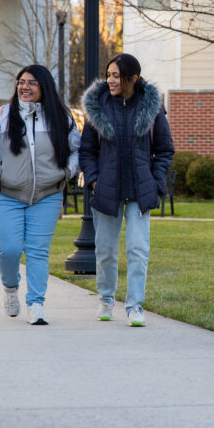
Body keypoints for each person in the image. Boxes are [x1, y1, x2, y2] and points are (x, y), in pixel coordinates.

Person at [0, 65, 80, 325]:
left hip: (48, 194)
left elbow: (78, 150)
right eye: (21, 82)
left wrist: (67, 171)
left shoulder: (61, 118)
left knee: (37, 252)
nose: (25, 87)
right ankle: (10, 289)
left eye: (32, 83)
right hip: (9, 194)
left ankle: (36, 304)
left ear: (44, 87)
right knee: (7, 251)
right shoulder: (3, 116)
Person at [79, 53, 175, 327]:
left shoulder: (152, 108)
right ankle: (106, 299)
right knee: (106, 251)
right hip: (107, 190)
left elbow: (165, 150)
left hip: (140, 191)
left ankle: (135, 306)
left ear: (132, 78)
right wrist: (95, 179)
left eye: (115, 75)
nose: (109, 80)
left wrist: (156, 183)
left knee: (137, 250)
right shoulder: (97, 106)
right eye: (108, 74)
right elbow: (87, 150)